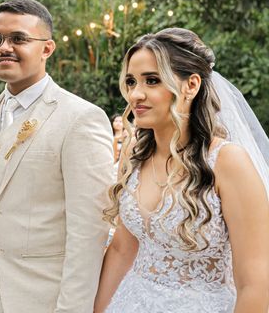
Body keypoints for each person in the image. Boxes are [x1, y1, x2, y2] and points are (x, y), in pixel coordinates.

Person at [94, 28, 269, 313]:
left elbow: (256, 285)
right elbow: (121, 249)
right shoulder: (134, 153)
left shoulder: (228, 163)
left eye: (152, 80)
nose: (136, 94)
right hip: (130, 301)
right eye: (130, 81)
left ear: (191, 85)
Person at [0, 0, 114, 313]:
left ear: (47, 49)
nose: (4, 47)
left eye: (18, 39)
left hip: (44, 297)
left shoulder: (81, 118)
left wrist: (72, 308)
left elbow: (89, 231)